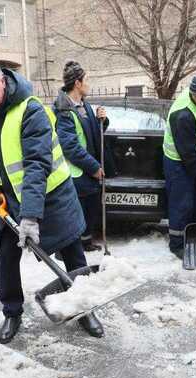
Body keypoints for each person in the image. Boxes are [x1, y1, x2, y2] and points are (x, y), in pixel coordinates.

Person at [0, 61, 104, 344]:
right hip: (11, 198)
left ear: (3, 82)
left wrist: (30, 217)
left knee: (72, 250)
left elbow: (37, 165)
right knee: (7, 253)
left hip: (52, 195)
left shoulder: (31, 111)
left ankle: (84, 307)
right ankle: (12, 312)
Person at [52, 61, 112, 252]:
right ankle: (72, 251)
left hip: (87, 170)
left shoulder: (83, 105)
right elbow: (70, 146)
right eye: (87, 80)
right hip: (76, 172)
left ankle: (85, 243)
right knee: (78, 212)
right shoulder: (64, 110)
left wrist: (102, 120)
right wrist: (93, 167)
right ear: (77, 83)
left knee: (89, 209)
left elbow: (92, 134)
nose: (89, 83)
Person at [162, 75, 196, 259]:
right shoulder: (183, 114)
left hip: (195, 155)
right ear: (192, 93)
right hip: (177, 160)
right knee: (181, 202)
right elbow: (188, 153)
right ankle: (177, 243)